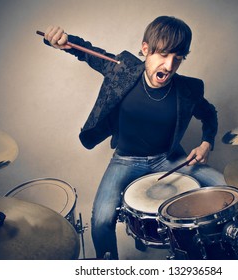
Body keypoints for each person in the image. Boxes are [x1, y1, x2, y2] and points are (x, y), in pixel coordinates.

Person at [43, 16, 226, 260]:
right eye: (163, 55)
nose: (170, 65)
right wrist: (60, 40)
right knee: (101, 219)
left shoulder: (187, 90)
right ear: (145, 50)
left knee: (224, 186)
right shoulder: (122, 70)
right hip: (125, 160)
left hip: (168, 159)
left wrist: (206, 143)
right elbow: (85, 51)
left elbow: (209, 114)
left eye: (178, 58)